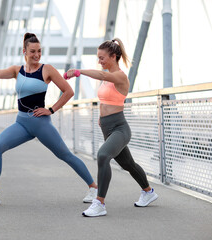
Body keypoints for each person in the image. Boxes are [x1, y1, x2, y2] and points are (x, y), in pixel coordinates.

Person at [0, 33, 98, 207]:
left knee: (65, 155)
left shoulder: (47, 69)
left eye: (39, 51)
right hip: (21, 123)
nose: (37, 55)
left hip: (40, 125)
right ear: (24, 51)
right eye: (33, 51)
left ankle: (94, 188)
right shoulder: (17, 70)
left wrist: (50, 110)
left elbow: (68, 92)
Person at [65, 38, 158, 217]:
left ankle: (99, 203)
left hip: (120, 128)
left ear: (114, 56)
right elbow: (106, 100)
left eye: (102, 58)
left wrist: (79, 71)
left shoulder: (119, 76)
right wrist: (101, 117)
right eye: (98, 58)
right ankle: (148, 192)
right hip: (107, 127)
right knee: (128, 164)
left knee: (103, 155)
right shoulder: (107, 77)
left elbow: (102, 75)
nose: (99, 62)